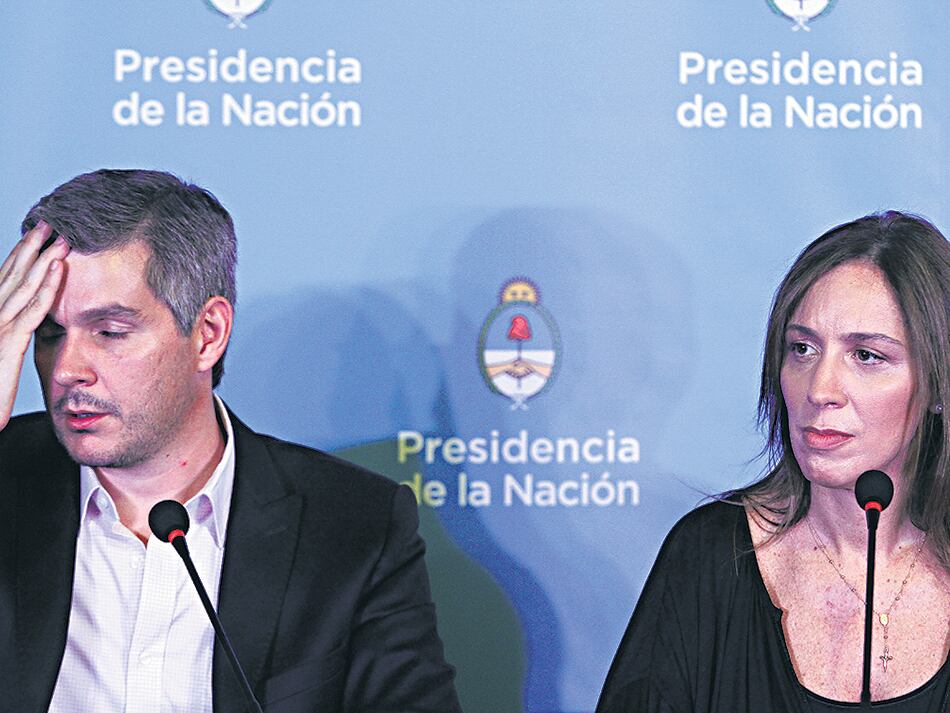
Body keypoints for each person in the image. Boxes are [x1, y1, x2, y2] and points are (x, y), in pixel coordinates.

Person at [0, 169, 462, 712]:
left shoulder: (353, 524)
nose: (66, 370)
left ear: (208, 333)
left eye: (111, 332)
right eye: (48, 333)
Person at [596, 212, 950, 712]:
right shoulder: (710, 556)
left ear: (937, 382)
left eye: (867, 356)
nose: (820, 389)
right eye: (802, 349)